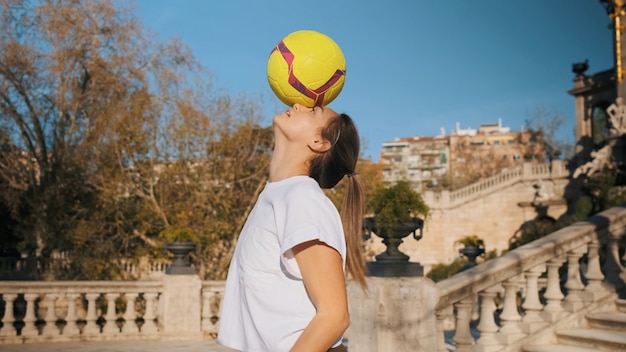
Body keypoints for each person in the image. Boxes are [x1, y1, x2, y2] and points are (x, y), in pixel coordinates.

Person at [217, 103, 367, 352]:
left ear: (319, 142)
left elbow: (334, 316)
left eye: (312, 111)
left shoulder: (302, 199)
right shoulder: (280, 195)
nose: (297, 104)